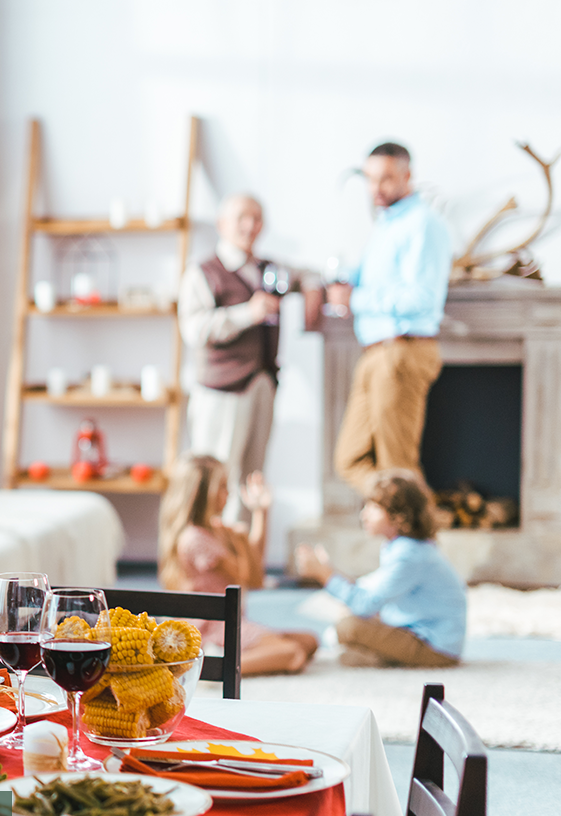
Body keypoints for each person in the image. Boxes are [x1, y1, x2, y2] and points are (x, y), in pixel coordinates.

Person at [179, 193, 322, 522]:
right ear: (222, 224)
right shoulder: (203, 272)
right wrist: (247, 314)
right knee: (216, 478)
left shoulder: (271, 268)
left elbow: (310, 275)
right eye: (242, 217)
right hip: (221, 390)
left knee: (252, 480)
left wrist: (313, 288)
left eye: (257, 218)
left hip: (263, 383)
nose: (250, 225)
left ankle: (243, 561)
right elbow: (194, 329)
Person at [326, 142, 453, 492]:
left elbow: (422, 297)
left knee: (398, 468)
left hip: (402, 352)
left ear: (407, 176)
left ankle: (415, 534)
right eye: (369, 179)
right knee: (349, 460)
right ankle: (401, 512)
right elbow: (385, 281)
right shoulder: (387, 225)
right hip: (375, 352)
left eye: (385, 179)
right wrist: (350, 280)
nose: (375, 189)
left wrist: (357, 298)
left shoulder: (423, 224)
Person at [158, 455, 319, 675]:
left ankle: (225, 658)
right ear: (202, 493)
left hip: (232, 622)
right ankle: (212, 668)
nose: (229, 493)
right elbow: (254, 579)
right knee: (293, 654)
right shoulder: (195, 540)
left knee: (309, 641)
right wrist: (241, 539)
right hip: (212, 628)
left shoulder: (216, 529)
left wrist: (261, 512)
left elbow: (253, 561)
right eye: (223, 486)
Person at [295, 470, 465, 668]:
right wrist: (329, 570)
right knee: (350, 615)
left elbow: (365, 604)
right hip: (421, 633)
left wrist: (324, 575)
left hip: (435, 647)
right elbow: (367, 589)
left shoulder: (408, 555)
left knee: (347, 627)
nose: (363, 514)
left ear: (399, 516)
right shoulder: (400, 547)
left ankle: (379, 658)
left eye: (373, 507)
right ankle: (377, 656)